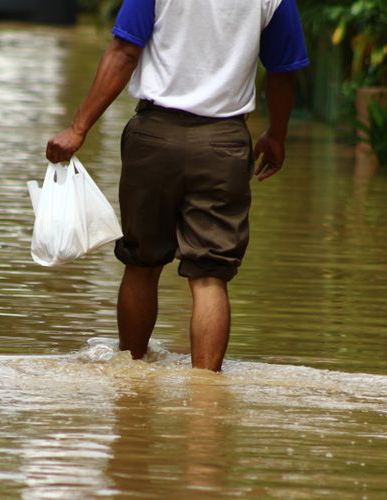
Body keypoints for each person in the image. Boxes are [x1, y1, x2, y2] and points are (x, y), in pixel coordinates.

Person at [45, 0, 309, 371]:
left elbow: (124, 51)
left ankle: (131, 380)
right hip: (224, 143)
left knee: (142, 263)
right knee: (210, 275)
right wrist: (276, 135)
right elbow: (283, 72)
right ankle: (206, 397)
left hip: (154, 137)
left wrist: (78, 129)